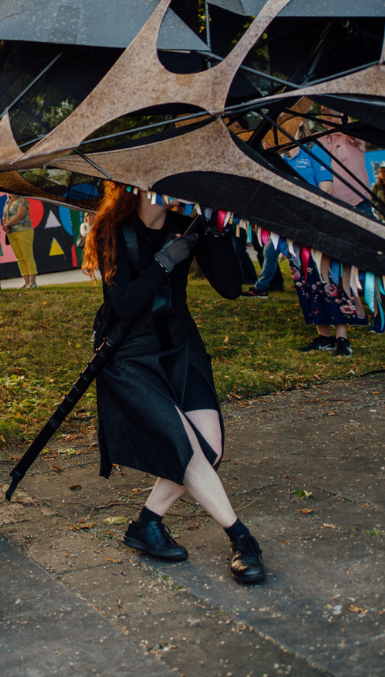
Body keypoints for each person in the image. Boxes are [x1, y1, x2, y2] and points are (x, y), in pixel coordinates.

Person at [82, 184, 266, 585]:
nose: (182, 190)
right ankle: (241, 538)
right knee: (188, 450)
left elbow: (231, 289)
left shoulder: (189, 224)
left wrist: (216, 229)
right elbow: (125, 303)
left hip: (180, 347)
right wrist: (164, 262)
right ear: (142, 184)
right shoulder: (113, 228)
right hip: (130, 356)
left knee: (210, 449)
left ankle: (146, 524)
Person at [283, 130, 364, 356]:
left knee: (330, 280)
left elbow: (326, 190)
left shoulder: (314, 153)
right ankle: (324, 337)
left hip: (318, 228)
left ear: (297, 129)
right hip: (293, 232)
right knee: (306, 283)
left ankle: (342, 339)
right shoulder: (279, 160)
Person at [318, 108, 371, 213]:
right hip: (333, 206)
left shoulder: (349, 136)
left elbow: (352, 130)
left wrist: (339, 118)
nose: (324, 112)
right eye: (323, 110)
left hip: (358, 202)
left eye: (329, 107)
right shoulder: (318, 139)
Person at [2, 194, 37, 288]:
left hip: (24, 230)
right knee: (20, 258)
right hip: (11, 232)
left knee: (27, 257)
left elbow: (20, 216)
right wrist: (6, 226)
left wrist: (7, 224)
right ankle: (26, 282)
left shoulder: (22, 200)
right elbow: (4, 216)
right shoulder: (8, 201)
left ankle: (32, 282)